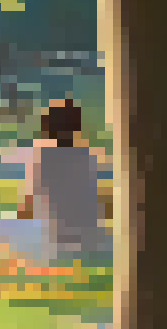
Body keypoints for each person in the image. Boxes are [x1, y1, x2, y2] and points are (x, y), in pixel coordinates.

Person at [17, 99, 108, 262]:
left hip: (54, 240)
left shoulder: (42, 156)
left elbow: (26, 207)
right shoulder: (86, 156)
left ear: (47, 127)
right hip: (89, 238)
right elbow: (98, 201)